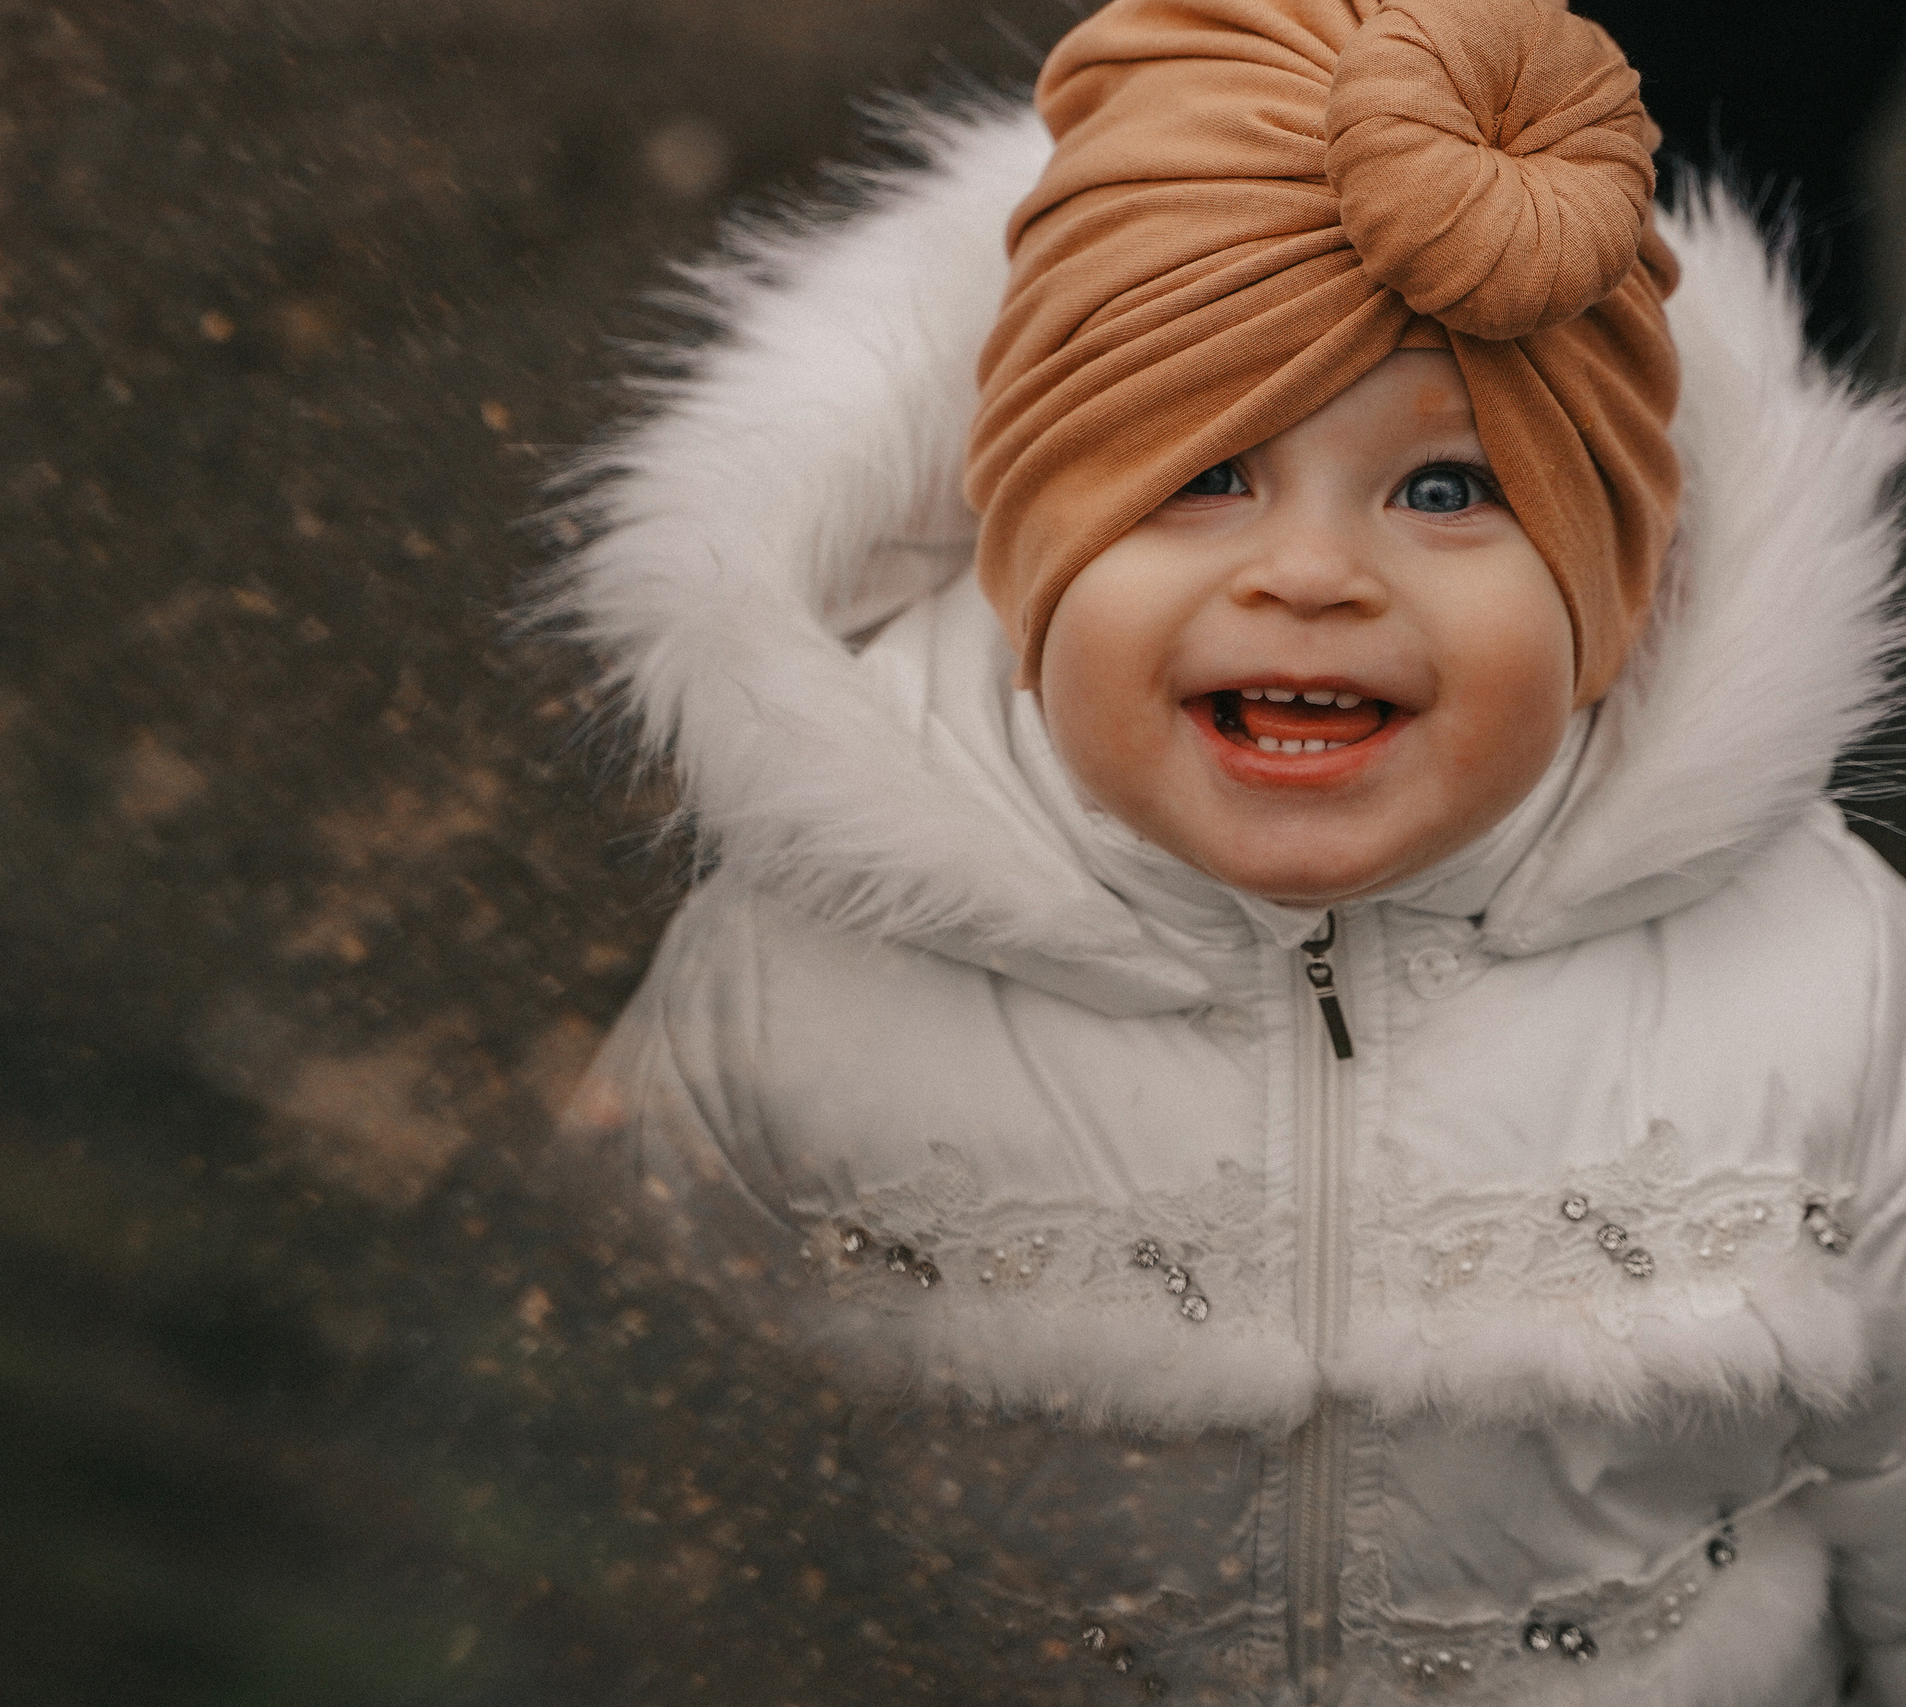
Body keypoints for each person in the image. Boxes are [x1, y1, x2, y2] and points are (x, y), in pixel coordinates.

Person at [544, 0, 1906, 1700]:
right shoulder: (801, 962)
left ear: (1611, 605)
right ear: (1028, 559)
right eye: (1204, 474)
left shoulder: (1830, 975)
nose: (1315, 575)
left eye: (1445, 491)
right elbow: (651, 1399)